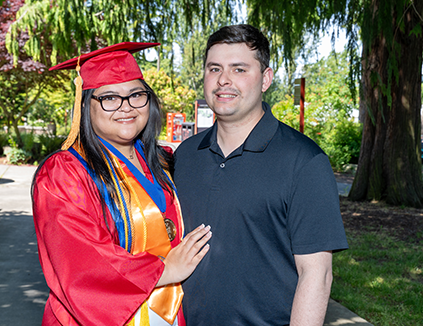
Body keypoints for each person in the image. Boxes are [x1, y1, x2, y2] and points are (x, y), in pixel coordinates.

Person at [173, 24, 349, 325]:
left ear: (265, 79)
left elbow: (316, 274)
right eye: (214, 68)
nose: (224, 80)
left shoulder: (304, 161)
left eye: (239, 69)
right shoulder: (184, 156)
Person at [32, 42, 212, 326]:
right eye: (109, 98)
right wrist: (166, 270)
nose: (126, 107)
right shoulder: (66, 173)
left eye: (136, 95)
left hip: (170, 311)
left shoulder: (163, 161)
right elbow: (81, 262)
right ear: (85, 106)